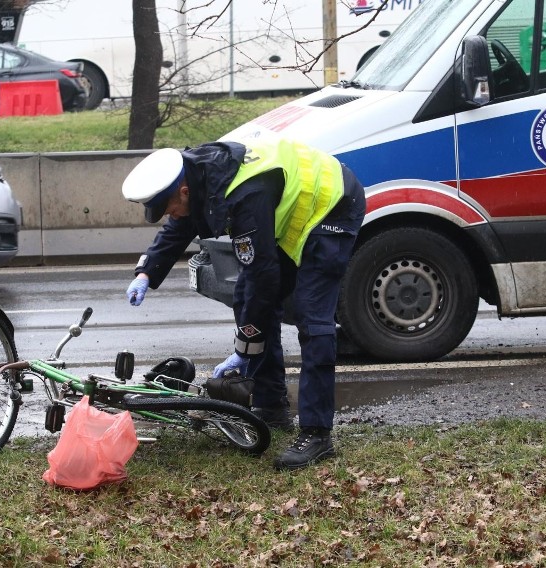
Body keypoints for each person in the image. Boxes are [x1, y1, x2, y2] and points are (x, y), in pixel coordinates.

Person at [121, 136, 365, 470]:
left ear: (183, 192)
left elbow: (263, 278)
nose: (171, 215)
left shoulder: (244, 194)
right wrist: (147, 272)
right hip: (294, 209)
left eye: (169, 208)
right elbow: (181, 226)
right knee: (244, 295)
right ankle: (271, 405)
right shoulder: (194, 174)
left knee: (313, 317)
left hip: (332, 203)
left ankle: (317, 434)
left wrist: (243, 349)